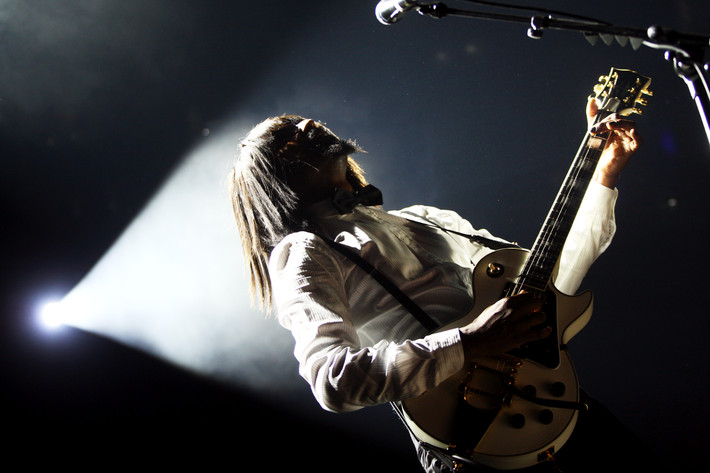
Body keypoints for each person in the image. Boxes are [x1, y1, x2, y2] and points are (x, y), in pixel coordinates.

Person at [228, 99, 647, 472]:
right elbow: (333, 380)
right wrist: (469, 341)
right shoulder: (305, 250)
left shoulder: (425, 218)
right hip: (471, 438)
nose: (307, 125)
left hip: (555, 405)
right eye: (286, 135)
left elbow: (551, 280)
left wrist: (602, 176)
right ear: (274, 177)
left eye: (303, 120)